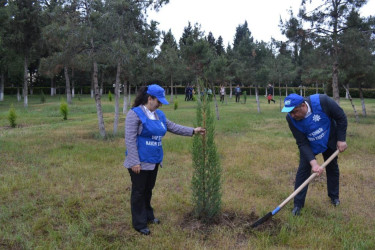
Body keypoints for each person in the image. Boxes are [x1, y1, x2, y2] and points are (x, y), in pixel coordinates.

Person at [124, 84, 205, 235]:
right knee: (138, 192)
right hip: (139, 163)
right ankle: (139, 223)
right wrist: (134, 161)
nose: (160, 104)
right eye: (158, 101)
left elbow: (173, 127)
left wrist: (193, 131)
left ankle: (148, 216)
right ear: (150, 98)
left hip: (154, 160)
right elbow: (130, 140)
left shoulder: (159, 114)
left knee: (148, 190)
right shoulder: (134, 114)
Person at [281, 93, 347, 216]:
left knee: (332, 167)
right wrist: (314, 163)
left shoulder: (323, 101)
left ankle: (334, 198)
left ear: (303, 105)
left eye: (294, 112)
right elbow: (301, 142)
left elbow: (341, 117)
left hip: (329, 137)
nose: (292, 115)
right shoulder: (290, 119)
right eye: (290, 113)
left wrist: (341, 139)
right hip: (310, 143)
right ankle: (298, 205)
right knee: (303, 171)